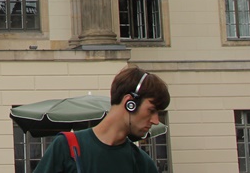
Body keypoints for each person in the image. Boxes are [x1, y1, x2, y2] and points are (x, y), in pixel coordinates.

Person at [33, 66, 170, 173]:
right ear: (130, 103)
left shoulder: (143, 164)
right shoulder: (66, 147)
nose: (156, 120)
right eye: (151, 111)